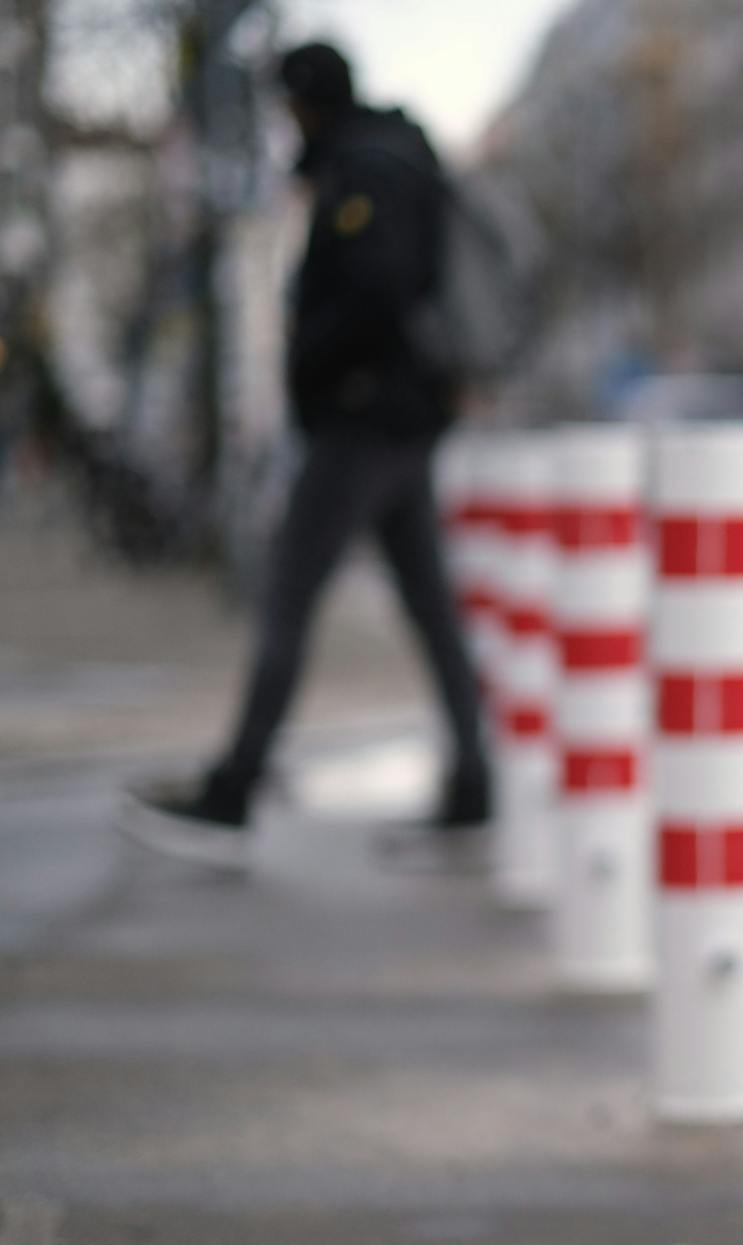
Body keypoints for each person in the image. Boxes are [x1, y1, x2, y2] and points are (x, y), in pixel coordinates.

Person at [119, 42, 488, 870]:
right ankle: (474, 779)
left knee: (288, 596)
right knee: (430, 605)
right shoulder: (396, 158)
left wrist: (307, 357)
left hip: (364, 421)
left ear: (305, 102)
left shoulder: (366, 172)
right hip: (401, 420)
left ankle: (234, 789)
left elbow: (377, 292)